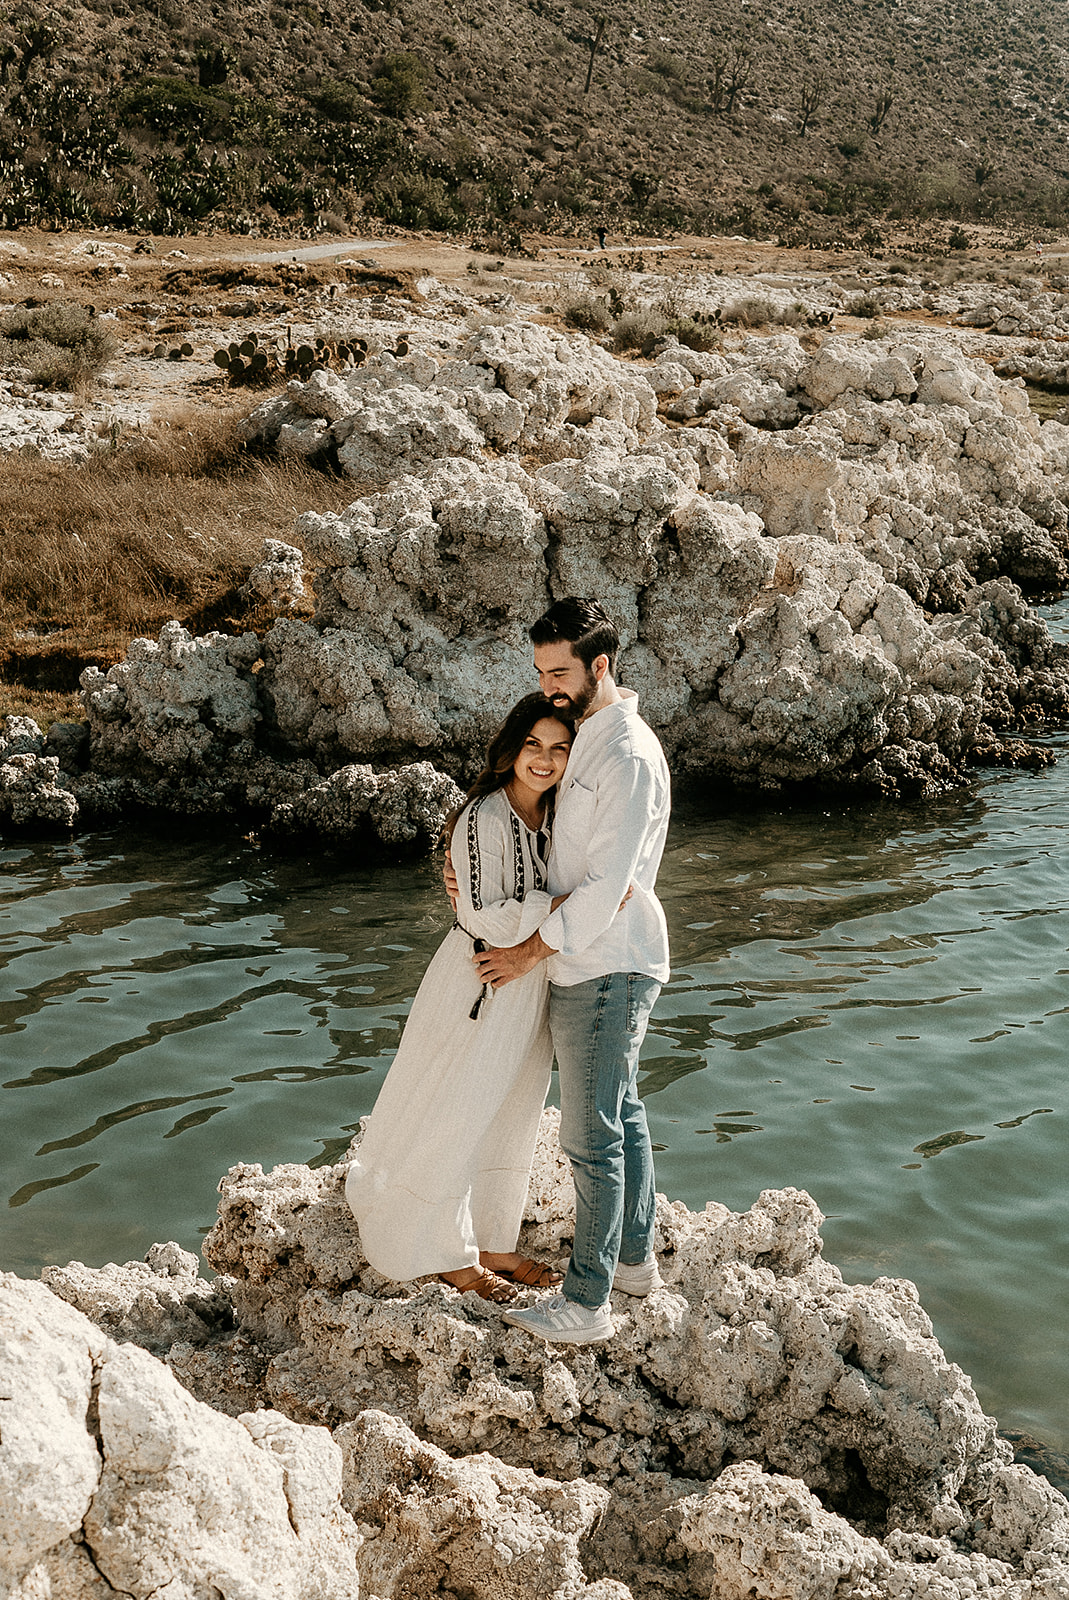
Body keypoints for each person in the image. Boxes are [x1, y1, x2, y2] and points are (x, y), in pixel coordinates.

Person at [464, 597, 672, 1344]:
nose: (549, 685)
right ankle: (635, 1263)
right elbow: (557, 854)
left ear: (599, 665)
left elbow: (608, 884)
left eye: (560, 671)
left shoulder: (626, 753)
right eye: (540, 672)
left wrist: (523, 953)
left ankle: (586, 1305)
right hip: (587, 961)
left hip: (607, 964)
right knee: (622, 1114)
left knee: (591, 1137)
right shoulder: (587, 737)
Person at [345, 693, 575, 1302]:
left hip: (530, 984)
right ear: (511, 749)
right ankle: (446, 1252)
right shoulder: (484, 816)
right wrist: (561, 907)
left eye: (559, 748)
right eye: (533, 745)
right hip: (479, 977)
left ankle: (493, 1240)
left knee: (514, 1110)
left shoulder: (558, 817)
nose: (545, 760)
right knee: (458, 1108)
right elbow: (482, 915)